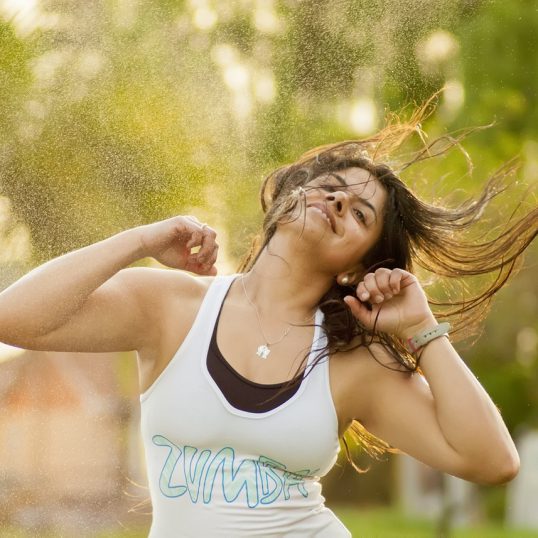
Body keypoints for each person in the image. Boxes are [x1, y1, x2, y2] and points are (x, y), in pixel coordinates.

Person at [0, 110, 536, 537]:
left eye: (359, 215)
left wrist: (421, 328)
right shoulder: (173, 308)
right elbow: (13, 319)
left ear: (355, 265)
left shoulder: (352, 364)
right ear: (290, 195)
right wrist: (140, 240)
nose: (340, 200)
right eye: (332, 186)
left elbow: (492, 461)